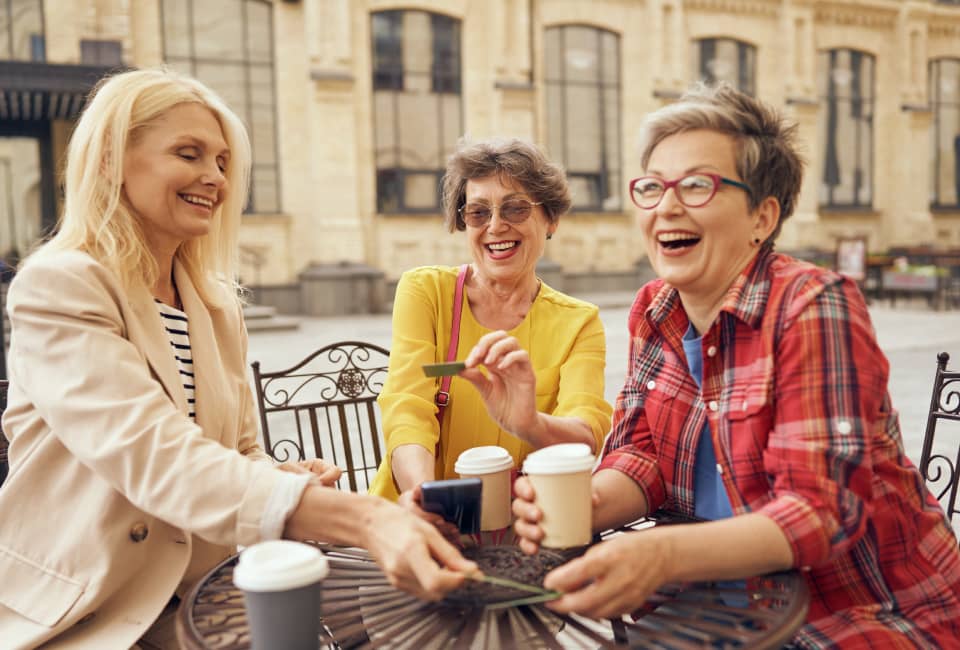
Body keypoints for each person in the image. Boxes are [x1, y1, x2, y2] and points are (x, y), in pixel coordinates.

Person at [0, 68, 473, 649]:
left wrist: (278, 475)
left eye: (222, 162)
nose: (213, 178)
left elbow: (238, 451)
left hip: (204, 602)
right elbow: (153, 455)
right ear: (110, 161)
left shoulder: (215, 304)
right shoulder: (61, 285)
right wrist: (363, 518)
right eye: (188, 153)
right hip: (83, 615)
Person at [513, 84, 960, 646]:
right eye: (652, 187)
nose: (665, 206)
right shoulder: (656, 308)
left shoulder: (812, 306)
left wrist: (661, 554)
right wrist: (587, 504)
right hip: (717, 610)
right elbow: (641, 455)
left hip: (857, 612)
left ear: (762, 216)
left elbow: (818, 511)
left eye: (697, 185)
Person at [368, 138, 613, 529]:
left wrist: (530, 423)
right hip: (417, 520)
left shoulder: (578, 323)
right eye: (478, 213)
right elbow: (407, 409)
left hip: (523, 532)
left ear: (550, 219)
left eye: (515, 208)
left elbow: (586, 436)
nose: (496, 226)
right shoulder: (425, 292)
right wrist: (430, 501)